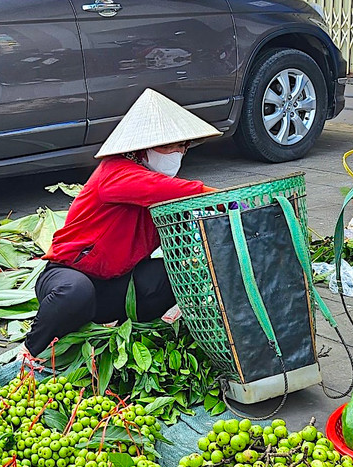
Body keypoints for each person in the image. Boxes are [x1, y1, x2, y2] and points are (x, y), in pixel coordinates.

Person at [21, 89, 221, 356]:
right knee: (75, 293)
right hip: (69, 276)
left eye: (182, 146)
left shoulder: (161, 185)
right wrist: (238, 200)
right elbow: (189, 193)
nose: (177, 152)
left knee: (173, 275)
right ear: (143, 148)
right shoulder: (116, 173)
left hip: (115, 286)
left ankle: (123, 333)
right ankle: (31, 351)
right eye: (169, 145)